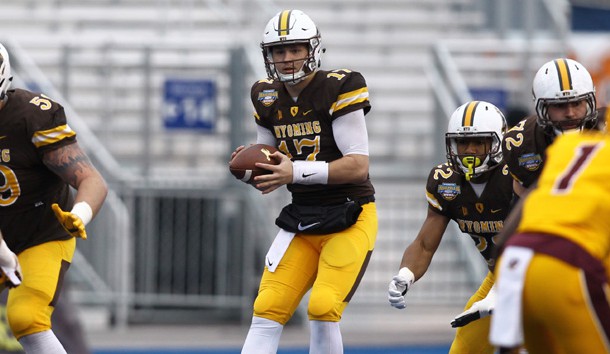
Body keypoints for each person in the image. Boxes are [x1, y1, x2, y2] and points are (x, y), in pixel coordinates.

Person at [231, 9, 377, 354]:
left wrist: (293, 172)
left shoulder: (341, 85)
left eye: (295, 49)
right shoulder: (265, 94)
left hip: (349, 215)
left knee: (323, 306)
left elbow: (358, 166)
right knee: (267, 306)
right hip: (302, 216)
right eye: (279, 51)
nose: (287, 58)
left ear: (313, 49)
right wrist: (251, 166)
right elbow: (270, 159)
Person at [0, 43, 108, 353]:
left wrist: (80, 214)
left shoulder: (32, 116)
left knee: (26, 318)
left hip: (41, 235)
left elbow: (91, 179)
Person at [388, 101, 513, 354]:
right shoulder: (445, 182)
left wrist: (505, 289)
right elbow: (424, 244)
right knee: (465, 347)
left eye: (478, 142)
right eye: (462, 143)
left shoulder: (517, 175)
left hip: (542, 267)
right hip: (499, 275)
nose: (469, 150)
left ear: (498, 142)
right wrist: (406, 274)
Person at [489, 130, 610, 353]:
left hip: (514, 260)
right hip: (566, 264)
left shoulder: (567, 145)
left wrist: (500, 277)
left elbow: (523, 210)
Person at [502, 57, 608, 199]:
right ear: (542, 108)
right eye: (559, 105)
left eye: (576, 103)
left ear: (589, 102)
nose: (570, 113)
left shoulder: (606, 129)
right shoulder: (521, 142)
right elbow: (526, 202)